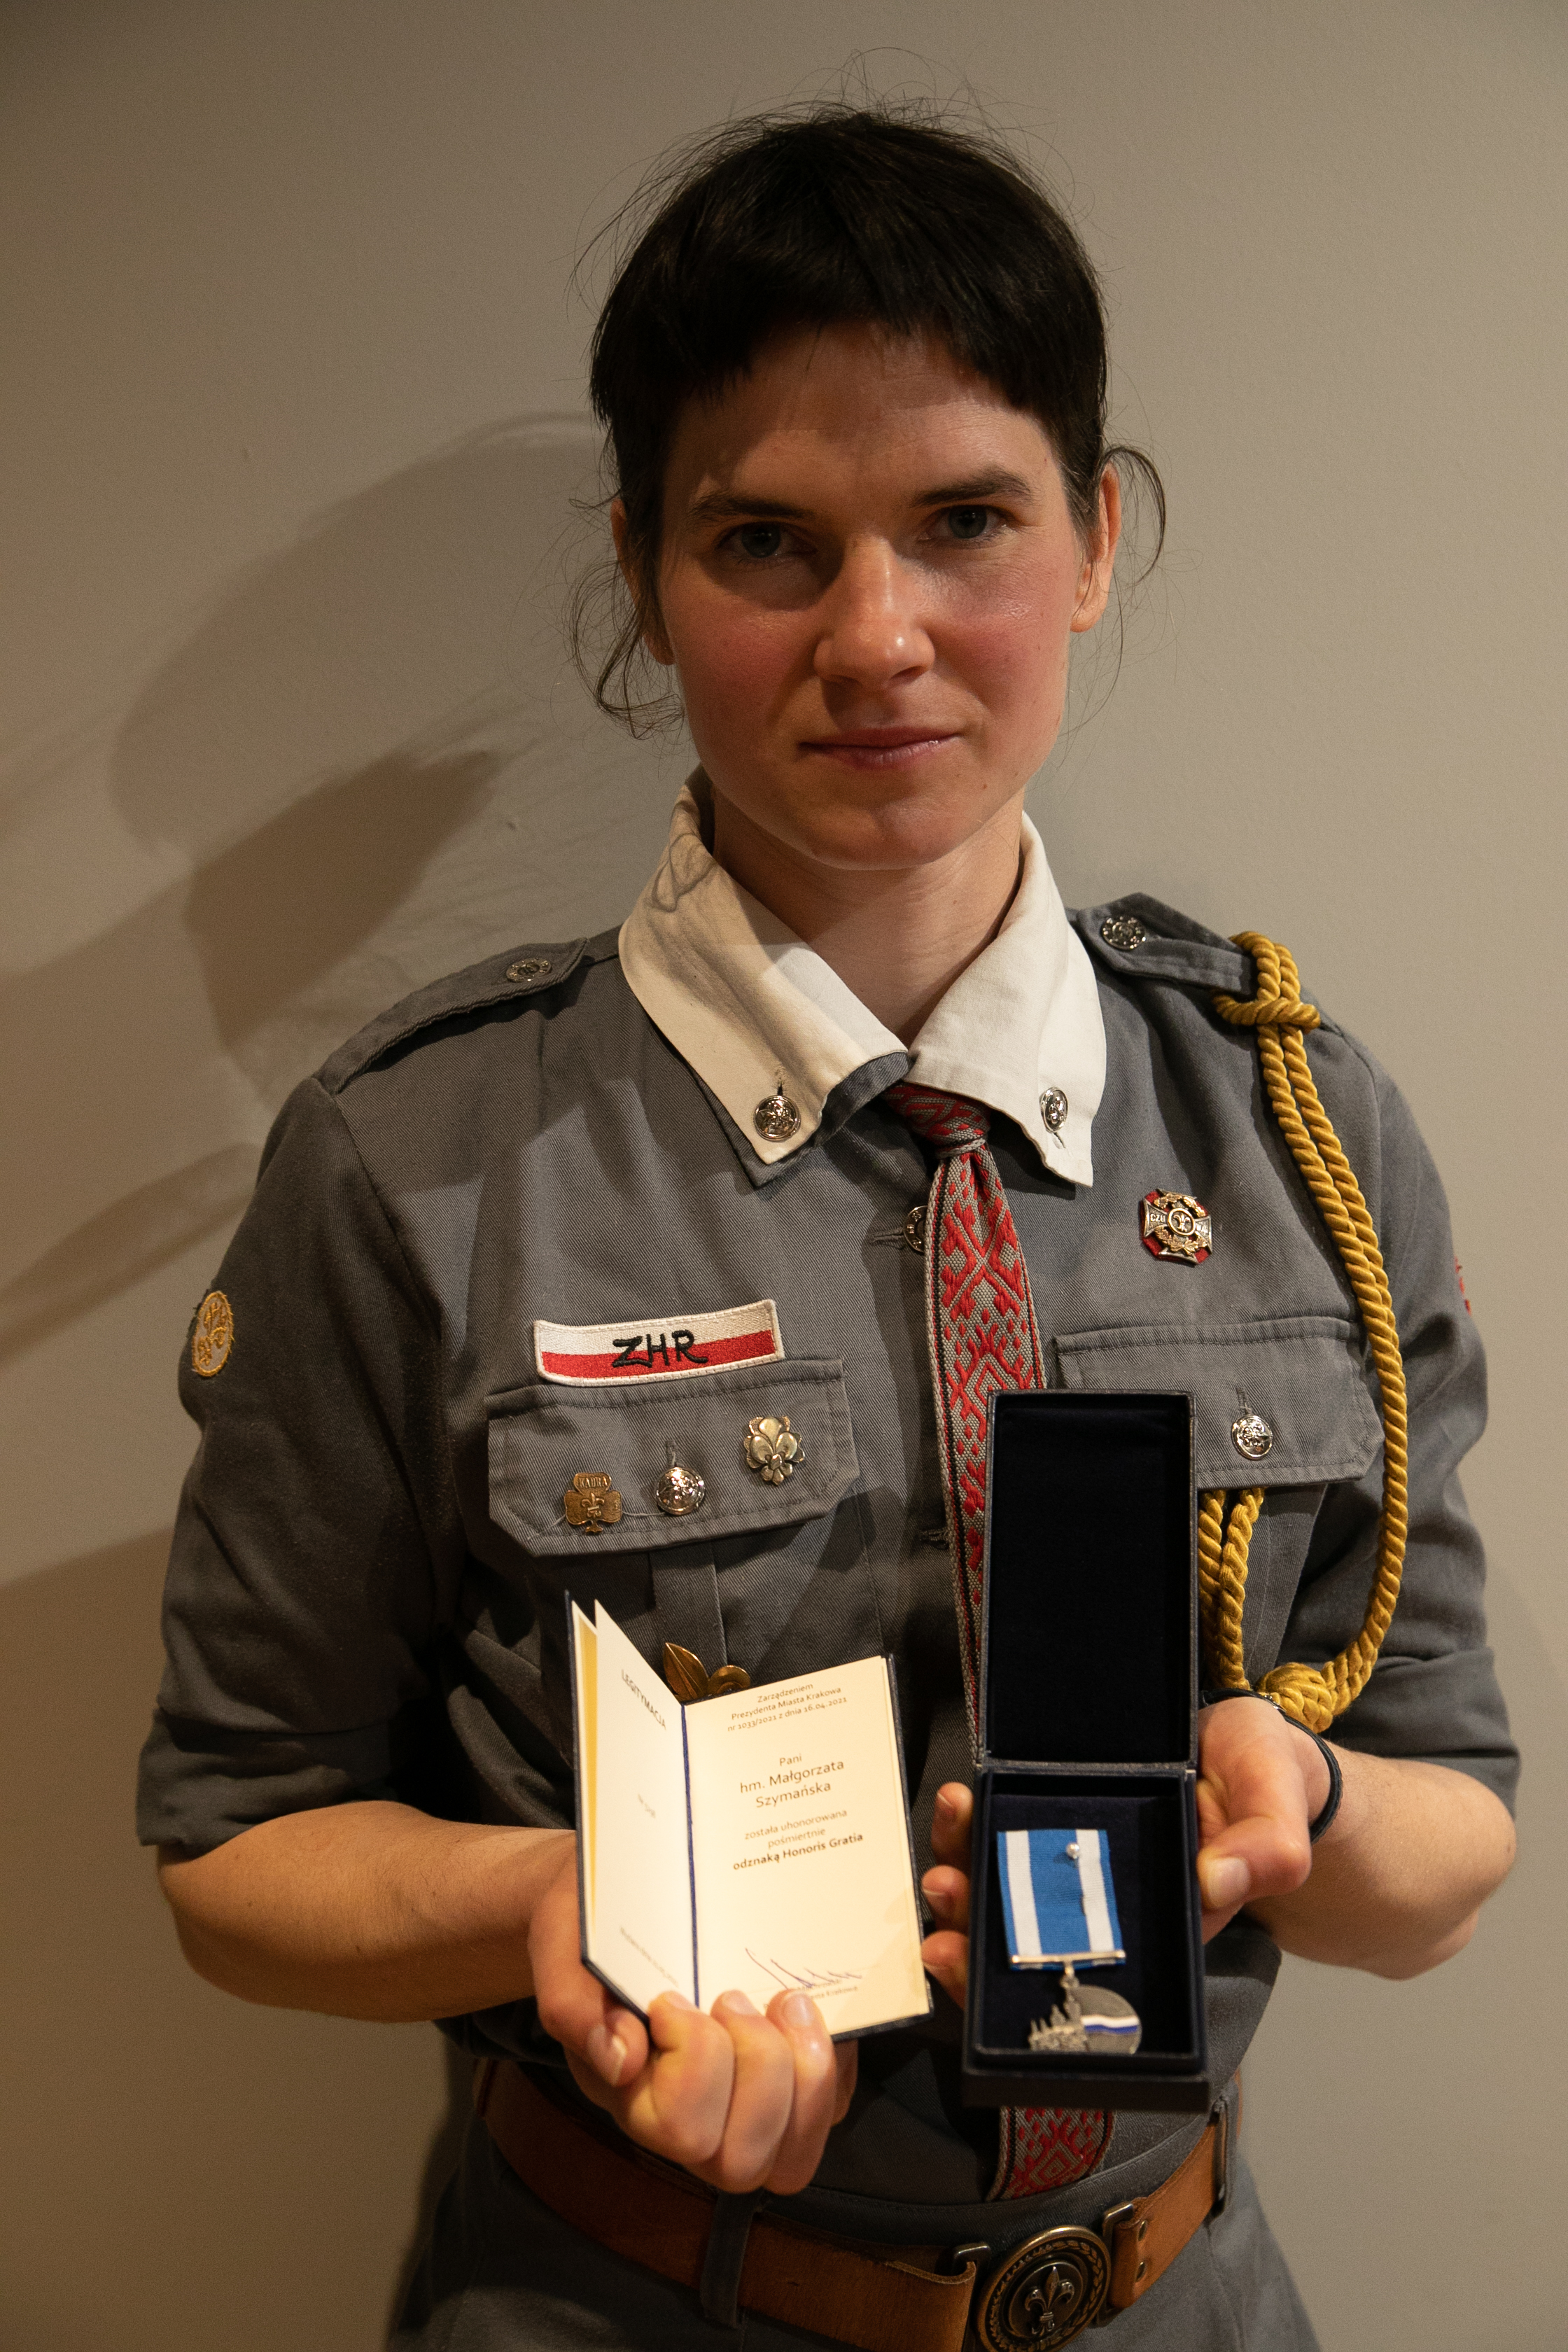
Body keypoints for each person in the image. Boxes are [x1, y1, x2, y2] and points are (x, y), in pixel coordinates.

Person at [138, 106, 1518, 2350]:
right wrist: (568, 1908)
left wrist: (1306, 1808)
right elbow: (234, 1850)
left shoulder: (1300, 1125)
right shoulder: (412, 1162)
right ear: (642, 571)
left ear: (1095, 537)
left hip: (1187, 2300)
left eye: (966, 521)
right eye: (766, 542)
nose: (877, 639)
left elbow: (1450, 1844)